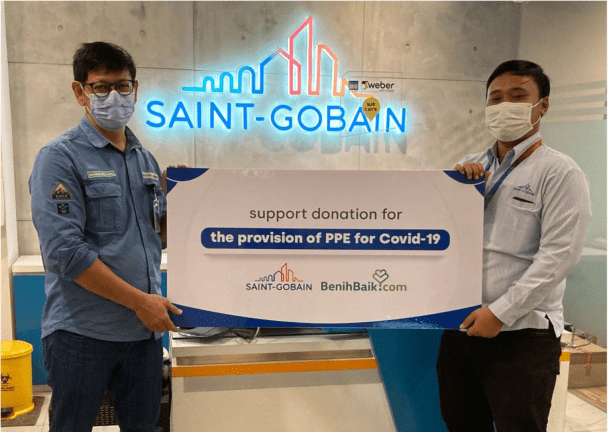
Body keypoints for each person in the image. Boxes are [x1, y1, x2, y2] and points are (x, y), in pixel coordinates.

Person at [29, 41, 182, 432]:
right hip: (82, 333)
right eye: (101, 87)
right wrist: (141, 302)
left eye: (123, 85)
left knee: (144, 427)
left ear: (136, 88)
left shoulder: (144, 159)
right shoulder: (59, 157)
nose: (114, 96)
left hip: (141, 335)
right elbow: (66, 253)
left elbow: (155, 237)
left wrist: (179, 200)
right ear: (80, 92)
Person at [436, 60, 591, 432]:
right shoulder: (470, 167)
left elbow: (558, 256)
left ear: (543, 105)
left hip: (523, 335)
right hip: (460, 327)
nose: (504, 105)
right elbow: (442, 241)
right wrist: (454, 195)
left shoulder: (560, 172)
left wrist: (501, 313)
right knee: (460, 424)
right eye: (496, 98)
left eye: (518, 96)